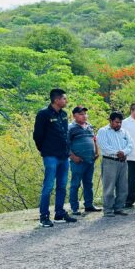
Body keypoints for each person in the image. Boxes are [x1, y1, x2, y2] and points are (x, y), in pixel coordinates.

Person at [33, 88, 76, 226]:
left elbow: (65, 134)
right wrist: (44, 149)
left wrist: (68, 150)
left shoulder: (63, 114)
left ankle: (59, 213)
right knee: (48, 186)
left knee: (62, 186)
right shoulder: (43, 114)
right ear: (56, 100)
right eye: (64, 98)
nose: (66, 101)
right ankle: (44, 216)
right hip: (51, 155)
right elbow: (37, 135)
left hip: (64, 156)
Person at [97, 112, 133, 218]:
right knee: (109, 187)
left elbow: (130, 145)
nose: (119, 124)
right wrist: (118, 153)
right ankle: (108, 210)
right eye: (116, 122)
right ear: (111, 121)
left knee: (123, 187)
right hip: (110, 162)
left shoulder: (124, 132)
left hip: (123, 162)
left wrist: (124, 152)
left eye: (120, 122)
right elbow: (104, 146)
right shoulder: (103, 131)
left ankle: (119, 208)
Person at [67, 105, 101, 216]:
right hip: (78, 161)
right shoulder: (70, 127)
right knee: (75, 184)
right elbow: (65, 144)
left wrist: (96, 152)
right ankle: (74, 208)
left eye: (85, 114)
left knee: (88, 184)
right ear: (74, 115)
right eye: (81, 114)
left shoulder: (89, 126)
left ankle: (89, 205)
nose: (84, 116)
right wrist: (73, 157)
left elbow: (93, 139)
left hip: (90, 160)